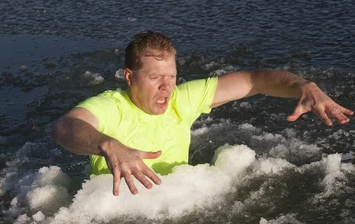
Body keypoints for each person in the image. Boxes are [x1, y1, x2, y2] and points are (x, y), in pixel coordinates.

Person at [51, 31, 353, 196]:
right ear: (130, 77)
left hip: (179, 200)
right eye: (156, 78)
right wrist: (109, 145)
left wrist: (305, 86)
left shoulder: (183, 98)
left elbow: (255, 80)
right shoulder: (111, 107)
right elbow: (66, 126)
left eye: (171, 76)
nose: (166, 87)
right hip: (118, 209)